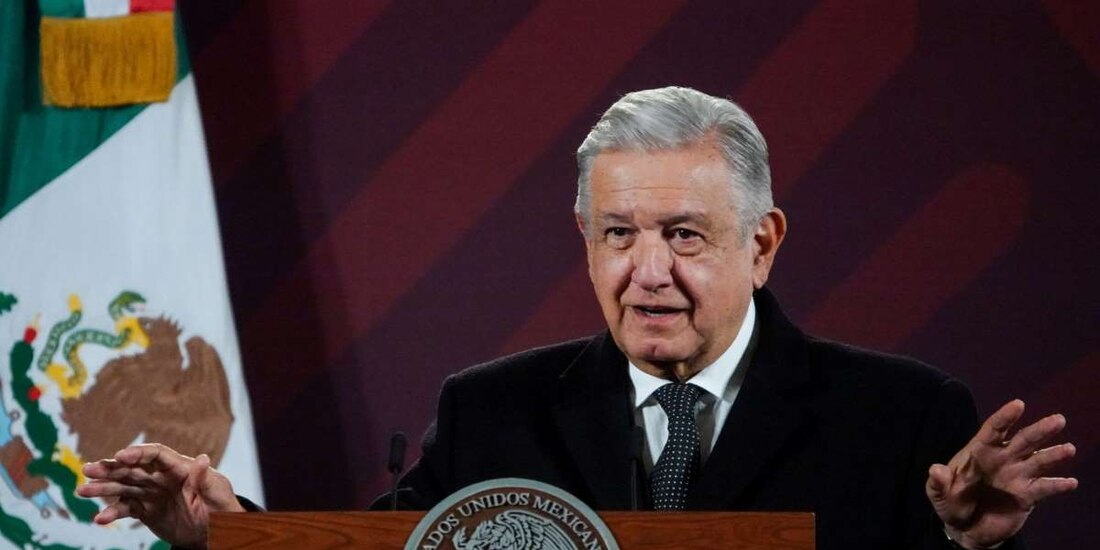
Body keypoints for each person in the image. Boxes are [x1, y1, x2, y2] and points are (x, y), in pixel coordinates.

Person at [79, 87, 1077, 549]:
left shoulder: (902, 421)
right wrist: (221, 533)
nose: (644, 273)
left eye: (682, 235)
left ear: (761, 242)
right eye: (615, 234)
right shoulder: (489, 415)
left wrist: (959, 545)